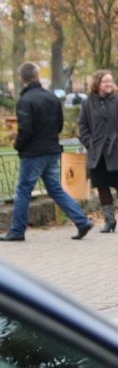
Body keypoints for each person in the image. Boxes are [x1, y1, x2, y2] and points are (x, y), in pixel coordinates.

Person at [0, 62, 94, 242]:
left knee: (23, 190)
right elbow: (59, 125)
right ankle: (81, 221)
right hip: (51, 149)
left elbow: (25, 129)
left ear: (21, 79)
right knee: (55, 188)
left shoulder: (25, 101)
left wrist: (18, 146)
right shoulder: (52, 98)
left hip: (33, 152)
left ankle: (17, 230)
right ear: (37, 76)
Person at [77, 69, 118, 233]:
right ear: (97, 84)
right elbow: (82, 126)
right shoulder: (87, 103)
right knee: (102, 186)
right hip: (97, 151)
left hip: (115, 150)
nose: (109, 84)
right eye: (105, 81)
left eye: (110, 81)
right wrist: (89, 142)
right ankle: (110, 220)